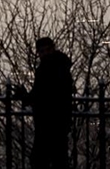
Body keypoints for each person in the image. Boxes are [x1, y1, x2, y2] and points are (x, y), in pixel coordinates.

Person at [18, 37, 74, 169]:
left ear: (52, 49)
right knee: (56, 160)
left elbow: (44, 94)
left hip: (51, 122)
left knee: (42, 160)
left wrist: (28, 98)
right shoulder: (57, 66)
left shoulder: (52, 68)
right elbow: (41, 93)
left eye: (46, 50)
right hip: (53, 122)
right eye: (41, 51)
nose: (44, 54)